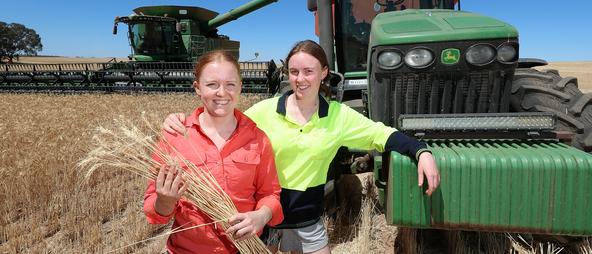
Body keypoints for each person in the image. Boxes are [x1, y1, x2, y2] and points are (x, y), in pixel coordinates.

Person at [163, 40, 440, 254]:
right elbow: (221, 121)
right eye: (294, 71)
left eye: (309, 71)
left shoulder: (338, 117)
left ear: (324, 73)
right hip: (261, 221)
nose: (300, 79)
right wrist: (182, 120)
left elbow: (382, 135)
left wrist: (420, 151)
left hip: (307, 221)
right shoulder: (265, 111)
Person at [144, 50, 283, 254]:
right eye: (212, 84)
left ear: (240, 88)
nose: (222, 92)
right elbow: (154, 211)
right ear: (197, 88)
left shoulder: (258, 139)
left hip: (244, 249)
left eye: (230, 84)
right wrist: (164, 201)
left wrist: (261, 216)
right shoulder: (174, 136)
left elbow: (270, 194)